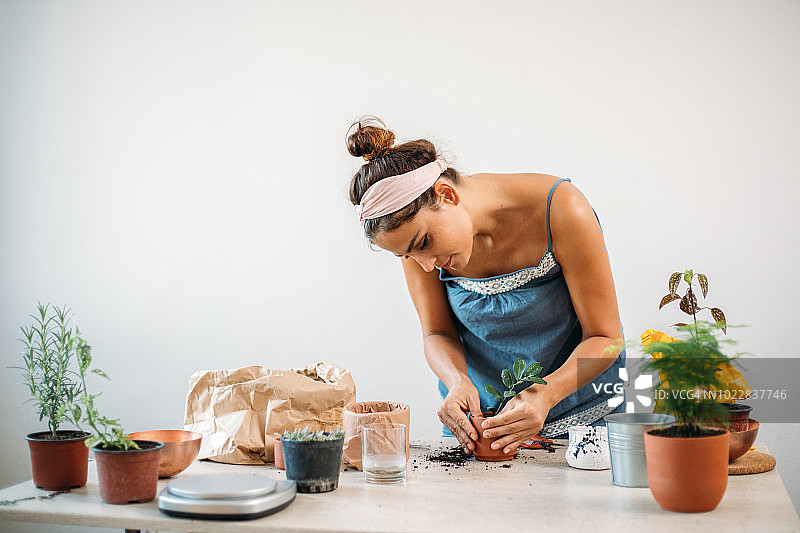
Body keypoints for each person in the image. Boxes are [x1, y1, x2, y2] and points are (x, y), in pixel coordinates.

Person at [346, 117, 625, 456]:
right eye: (406, 256)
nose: (425, 266)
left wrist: (545, 394)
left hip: (586, 424)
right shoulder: (419, 247)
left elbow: (606, 339)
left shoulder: (562, 209)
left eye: (423, 244)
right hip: (483, 429)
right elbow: (436, 333)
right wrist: (457, 381)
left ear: (446, 195)